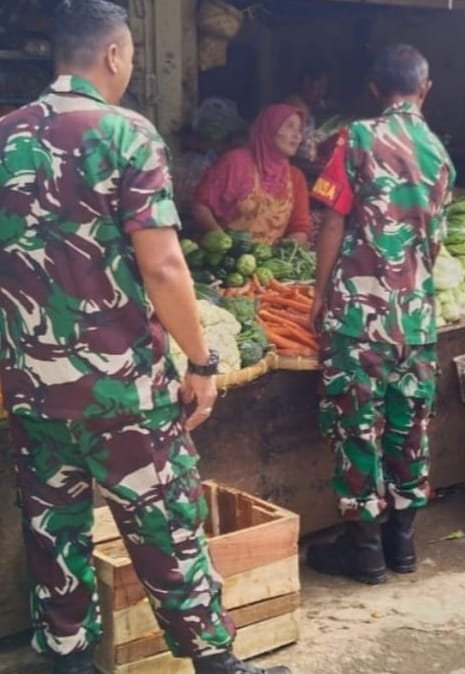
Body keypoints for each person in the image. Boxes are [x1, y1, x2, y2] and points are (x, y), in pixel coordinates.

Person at [0, 3, 290, 674]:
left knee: (52, 530)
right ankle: (216, 664)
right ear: (113, 56)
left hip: (34, 390)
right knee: (165, 526)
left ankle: (69, 662)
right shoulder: (126, 134)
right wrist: (201, 358)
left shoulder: (6, 137)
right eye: (128, 55)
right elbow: (162, 264)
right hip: (120, 391)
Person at [307, 44, 455, 585]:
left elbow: (331, 222)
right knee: (408, 423)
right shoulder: (440, 152)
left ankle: (364, 549)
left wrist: (321, 292)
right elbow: (434, 242)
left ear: (374, 88)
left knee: (357, 425)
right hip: (416, 315)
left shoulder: (357, 138)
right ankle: (404, 544)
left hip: (359, 314)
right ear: (426, 87)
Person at [191, 103, 312, 246]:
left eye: (299, 130)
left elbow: (299, 228)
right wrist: (223, 242)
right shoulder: (235, 162)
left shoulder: (295, 177)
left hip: (266, 264)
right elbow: (200, 206)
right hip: (222, 258)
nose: (297, 136)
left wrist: (282, 255)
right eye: (290, 126)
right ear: (269, 128)